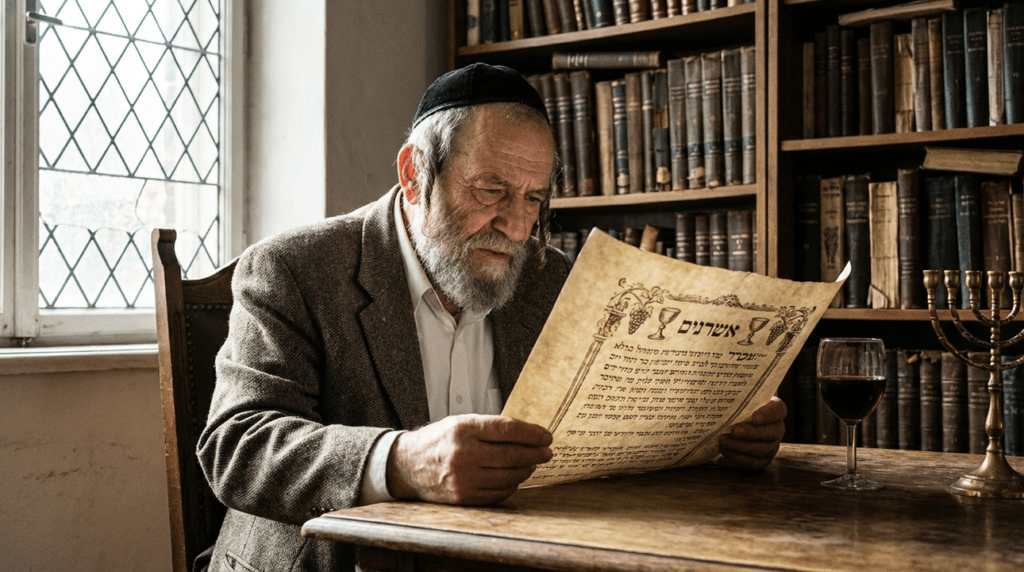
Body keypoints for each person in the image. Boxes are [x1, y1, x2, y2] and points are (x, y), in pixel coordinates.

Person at [196, 63, 786, 571]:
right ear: (414, 174)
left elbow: (607, 432)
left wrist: (718, 436)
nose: (515, 226)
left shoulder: (552, 280)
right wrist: (402, 462)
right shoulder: (294, 267)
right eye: (491, 189)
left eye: (533, 198)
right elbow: (237, 446)